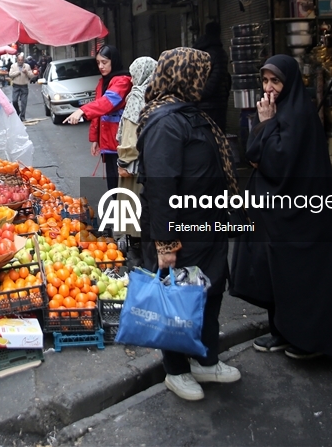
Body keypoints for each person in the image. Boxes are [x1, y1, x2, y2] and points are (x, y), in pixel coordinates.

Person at [137, 47, 241, 401]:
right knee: (176, 300)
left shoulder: (192, 114)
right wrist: (165, 244)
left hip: (207, 225)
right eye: (200, 73)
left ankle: (206, 360)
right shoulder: (166, 121)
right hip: (179, 231)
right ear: (184, 76)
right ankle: (176, 370)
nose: (205, 80)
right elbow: (162, 186)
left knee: (210, 294)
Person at [241, 55, 332, 360]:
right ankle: (282, 332)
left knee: (302, 277)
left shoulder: (298, 115)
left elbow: (274, 162)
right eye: (265, 81)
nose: (269, 88)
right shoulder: (280, 113)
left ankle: (308, 340)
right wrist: (265, 131)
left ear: (289, 82)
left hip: (301, 216)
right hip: (279, 215)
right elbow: (252, 154)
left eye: (275, 81)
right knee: (277, 275)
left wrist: (265, 126)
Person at [62, 45, 132, 189]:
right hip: (107, 140)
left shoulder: (123, 81)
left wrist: (82, 110)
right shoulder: (102, 82)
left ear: (114, 61)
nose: (101, 66)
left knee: (122, 184)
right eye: (98, 63)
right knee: (113, 183)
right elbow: (98, 113)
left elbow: (106, 103)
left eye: (104, 62)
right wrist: (95, 138)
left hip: (120, 140)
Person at [115, 55, 157, 268]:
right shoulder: (158, 93)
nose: (131, 80)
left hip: (133, 165)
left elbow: (130, 134)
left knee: (132, 206)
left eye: (133, 75)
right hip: (150, 161)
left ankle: (136, 254)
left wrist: (124, 161)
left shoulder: (137, 96)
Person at [193, 21, 230, 130]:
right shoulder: (218, 53)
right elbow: (216, 78)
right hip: (215, 105)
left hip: (200, 104)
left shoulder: (199, 50)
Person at [8, 53, 35, 120]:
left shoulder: (27, 66)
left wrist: (26, 72)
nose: (20, 61)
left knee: (23, 102)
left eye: (21, 60)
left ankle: (22, 116)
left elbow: (32, 76)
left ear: (23, 60)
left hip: (24, 86)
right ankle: (18, 111)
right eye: (19, 60)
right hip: (16, 86)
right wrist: (17, 72)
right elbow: (10, 75)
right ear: (17, 60)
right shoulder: (13, 66)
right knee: (14, 100)